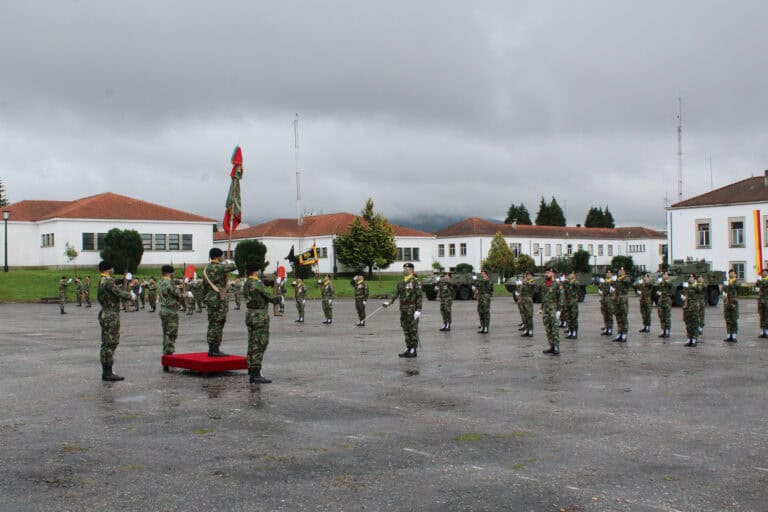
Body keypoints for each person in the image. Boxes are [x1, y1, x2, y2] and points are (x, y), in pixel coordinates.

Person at [243, 264, 282, 383]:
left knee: (252, 342)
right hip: (260, 317)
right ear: (255, 271)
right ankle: (256, 373)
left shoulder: (247, 283)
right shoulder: (257, 284)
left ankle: (251, 369)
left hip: (250, 315)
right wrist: (279, 297)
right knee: (260, 343)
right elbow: (270, 297)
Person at [97, 260, 134, 381]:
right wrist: (130, 295)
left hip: (105, 312)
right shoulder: (108, 281)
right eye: (111, 268)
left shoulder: (102, 280)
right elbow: (117, 292)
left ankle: (107, 370)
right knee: (111, 342)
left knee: (106, 342)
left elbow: (112, 284)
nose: (112, 270)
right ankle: (108, 372)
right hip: (111, 315)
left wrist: (123, 279)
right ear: (108, 269)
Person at [201, 248, 237, 357]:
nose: (223, 257)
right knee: (219, 323)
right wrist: (228, 261)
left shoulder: (206, 268)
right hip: (218, 298)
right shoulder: (220, 267)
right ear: (218, 256)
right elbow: (234, 266)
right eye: (222, 255)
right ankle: (215, 349)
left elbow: (204, 285)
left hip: (210, 298)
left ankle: (211, 348)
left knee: (212, 323)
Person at [383, 262, 423, 358]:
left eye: (407, 269)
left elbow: (419, 296)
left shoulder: (415, 281)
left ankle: (413, 349)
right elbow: (395, 294)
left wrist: (418, 309)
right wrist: (388, 302)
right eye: (404, 268)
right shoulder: (401, 282)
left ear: (412, 270)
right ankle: (408, 347)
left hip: (412, 308)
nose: (405, 270)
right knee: (405, 328)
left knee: (412, 329)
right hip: (403, 308)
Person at [158, 265, 185, 366]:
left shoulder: (160, 282)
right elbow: (178, 295)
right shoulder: (170, 283)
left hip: (163, 310)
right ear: (171, 273)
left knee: (165, 332)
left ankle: (165, 353)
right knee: (171, 333)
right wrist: (184, 293)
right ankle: (168, 356)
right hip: (171, 311)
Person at [540, 267, 561, 355]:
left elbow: (560, 298)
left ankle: (556, 347)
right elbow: (543, 297)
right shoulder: (544, 284)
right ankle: (551, 346)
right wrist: (541, 308)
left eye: (548, 272)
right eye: (546, 272)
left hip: (553, 309)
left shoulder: (556, 284)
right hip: (546, 309)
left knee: (554, 328)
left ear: (553, 274)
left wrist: (559, 310)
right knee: (548, 328)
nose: (546, 274)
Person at [612, 267, 630, 342]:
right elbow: (613, 286)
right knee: (618, 317)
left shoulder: (626, 278)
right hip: (617, 299)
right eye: (619, 270)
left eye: (622, 270)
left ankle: (624, 334)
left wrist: (621, 277)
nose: (620, 271)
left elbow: (627, 281)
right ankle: (619, 333)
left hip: (623, 299)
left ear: (624, 272)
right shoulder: (618, 279)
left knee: (623, 318)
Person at [683, 274, 701, 347]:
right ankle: (689, 339)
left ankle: (694, 340)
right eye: (689, 277)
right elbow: (684, 293)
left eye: (692, 277)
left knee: (694, 324)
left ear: (694, 279)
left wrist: (695, 284)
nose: (690, 278)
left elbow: (699, 290)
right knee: (688, 324)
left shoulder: (696, 286)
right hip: (687, 308)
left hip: (694, 308)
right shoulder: (687, 286)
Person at [723, 269, 739, 343]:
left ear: (735, 274)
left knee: (734, 319)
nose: (731, 274)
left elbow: (737, 286)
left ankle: (734, 335)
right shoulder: (727, 281)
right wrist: (725, 284)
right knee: (728, 319)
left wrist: (728, 284)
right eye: (730, 273)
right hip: (727, 303)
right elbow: (724, 290)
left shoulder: (736, 281)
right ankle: (729, 335)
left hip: (733, 303)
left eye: (733, 273)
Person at [519, 271, 536, 337]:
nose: (527, 276)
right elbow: (521, 290)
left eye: (528, 275)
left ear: (531, 276)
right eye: (526, 275)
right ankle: (526, 330)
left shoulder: (533, 282)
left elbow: (532, 285)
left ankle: (531, 330)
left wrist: (525, 282)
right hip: (523, 299)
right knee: (525, 315)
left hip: (528, 299)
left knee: (529, 316)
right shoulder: (525, 282)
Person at [564, 271, 580, 339]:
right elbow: (565, 289)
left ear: (574, 275)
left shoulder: (575, 282)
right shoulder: (568, 283)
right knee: (568, 318)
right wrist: (565, 282)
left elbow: (576, 285)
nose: (570, 275)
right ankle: (570, 331)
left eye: (571, 274)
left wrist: (569, 282)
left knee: (574, 318)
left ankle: (574, 332)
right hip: (568, 302)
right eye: (569, 274)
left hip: (573, 302)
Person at [656, 272, 672, 338]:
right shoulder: (661, 282)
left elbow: (669, 284)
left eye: (666, 274)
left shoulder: (668, 281)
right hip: (661, 300)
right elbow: (658, 286)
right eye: (664, 274)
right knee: (661, 316)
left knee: (667, 316)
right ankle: (664, 331)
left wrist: (664, 280)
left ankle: (667, 332)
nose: (664, 276)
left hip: (667, 300)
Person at [598, 271, 614, 336]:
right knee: (605, 315)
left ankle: (610, 329)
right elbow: (600, 289)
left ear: (611, 275)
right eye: (607, 273)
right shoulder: (604, 282)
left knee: (609, 315)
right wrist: (600, 291)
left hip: (609, 300)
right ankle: (606, 327)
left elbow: (613, 291)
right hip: (603, 300)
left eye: (609, 273)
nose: (608, 274)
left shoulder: (613, 282)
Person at [757, 269, 768, 338]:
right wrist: (758, 279)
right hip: (761, 301)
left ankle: (767, 331)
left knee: (767, 316)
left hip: (767, 300)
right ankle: (762, 331)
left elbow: (764, 284)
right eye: (763, 272)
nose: (763, 273)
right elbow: (757, 285)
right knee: (761, 316)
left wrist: (760, 280)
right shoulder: (761, 280)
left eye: (765, 272)